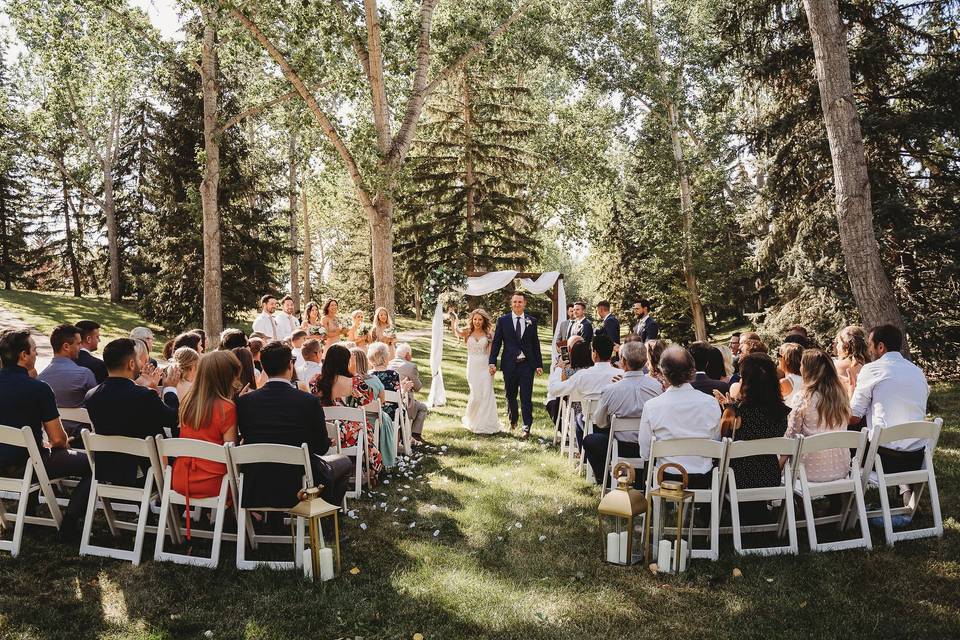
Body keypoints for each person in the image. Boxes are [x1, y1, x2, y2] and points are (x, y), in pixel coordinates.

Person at [0, 329, 92, 541]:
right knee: (94, 463)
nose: (36, 354)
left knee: (34, 453)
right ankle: (69, 524)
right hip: (27, 463)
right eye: (33, 350)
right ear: (23, 355)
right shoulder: (39, 389)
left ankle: (28, 514)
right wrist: (60, 443)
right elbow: (59, 439)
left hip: (5, 462)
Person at [236, 341, 351, 509]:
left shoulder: (244, 401)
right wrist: (326, 441)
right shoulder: (308, 401)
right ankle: (324, 515)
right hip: (298, 479)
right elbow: (320, 448)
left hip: (257, 479)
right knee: (344, 462)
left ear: (264, 367)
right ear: (290, 365)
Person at [849, 324, 929, 505]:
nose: (868, 350)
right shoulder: (917, 371)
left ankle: (842, 503)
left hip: (885, 459)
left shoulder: (872, 369)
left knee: (847, 430)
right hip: (916, 457)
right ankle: (905, 489)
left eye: (870, 345)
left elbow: (853, 415)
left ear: (880, 347)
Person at [84, 338, 180, 487]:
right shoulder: (143, 395)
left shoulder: (91, 395)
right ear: (131, 363)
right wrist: (170, 389)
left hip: (108, 471)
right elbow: (172, 418)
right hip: (144, 472)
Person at [172, 351, 241, 530]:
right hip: (213, 484)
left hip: (182, 479)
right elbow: (230, 453)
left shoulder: (187, 401)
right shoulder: (227, 407)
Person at [638, 346, 722, 489]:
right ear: (692, 371)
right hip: (702, 476)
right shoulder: (710, 402)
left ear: (664, 373)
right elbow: (716, 440)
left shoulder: (652, 406)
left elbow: (645, 451)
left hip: (666, 476)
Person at [581, 341, 663, 484]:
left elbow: (600, 422)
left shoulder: (610, 390)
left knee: (590, 440)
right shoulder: (657, 387)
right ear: (645, 362)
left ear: (623, 362)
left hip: (621, 447)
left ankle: (604, 479)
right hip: (651, 446)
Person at [721, 353, 791, 505]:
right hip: (770, 477)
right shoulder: (782, 412)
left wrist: (728, 408)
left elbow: (722, 439)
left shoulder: (736, 413)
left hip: (738, 480)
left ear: (746, 381)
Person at [311, 344, 384, 481]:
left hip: (324, 431)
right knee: (364, 428)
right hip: (349, 434)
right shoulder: (354, 382)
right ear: (346, 362)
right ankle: (370, 467)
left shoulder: (315, 380)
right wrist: (354, 373)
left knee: (362, 428)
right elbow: (367, 400)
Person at [784, 349, 851, 483]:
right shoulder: (841, 396)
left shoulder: (804, 398)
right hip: (840, 468)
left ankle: (800, 503)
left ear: (809, 370)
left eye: (802, 365)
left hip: (808, 472)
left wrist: (779, 463)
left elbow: (791, 436)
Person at [489, 292, 544, 439]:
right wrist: (492, 361)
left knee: (526, 397)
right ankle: (513, 421)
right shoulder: (503, 320)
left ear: (525, 303)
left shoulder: (531, 321)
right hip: (509, 364)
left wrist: (538, 364)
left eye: (520, 302)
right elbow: (497, 342)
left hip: (527, 365)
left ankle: (526, 427)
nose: (517, 304)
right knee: (510, 395)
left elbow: (535, 343)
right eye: (514, 302)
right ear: (511, 303)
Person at [548, 335, 619, 447]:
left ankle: (584, 455)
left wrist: (559, 369)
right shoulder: (621, 375)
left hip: (590, 425)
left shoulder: (583, 375)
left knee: (579, 418)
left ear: (594, 354)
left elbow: (554, 390)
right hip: (616, 426)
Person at [37, 324, 96, 437]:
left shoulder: (40, 378)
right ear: (66, 347)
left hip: (51, 437)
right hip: (82, 439)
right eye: (78, 344)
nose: (80, 348)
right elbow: (97, 407)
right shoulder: (84, 374)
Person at [452, 309, 501, 435]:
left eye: (480, 319)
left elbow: (490, 352)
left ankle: (484, 424)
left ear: (483, 320)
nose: (477, 322)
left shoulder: (488, 333)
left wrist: (492, 365)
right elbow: (456, 331)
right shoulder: (468, 332)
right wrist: (454, 319)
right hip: (472, 367)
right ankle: (471, 419)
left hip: (485, 366)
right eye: (475, 319)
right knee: (476, 395)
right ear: (472, 320)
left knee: (486, 394)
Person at [352, 347, 396, 469]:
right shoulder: (374, 380)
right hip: (374, 420)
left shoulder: (347, 381)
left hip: (353, 421)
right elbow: (382, 401)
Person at [388, 342, 429, 445]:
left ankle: (406, 433)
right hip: (404, 402)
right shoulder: (411, 366)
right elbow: (418, 387)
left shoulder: (389, 363)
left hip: (389, 400)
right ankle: (415, 435)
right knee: (423, 408)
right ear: (407, 355)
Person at [834, 325, 869, 395]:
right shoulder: (870, 365)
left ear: (846, 345)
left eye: (838, 343)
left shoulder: (837, 366)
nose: (837, 346)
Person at [778, 342, 804, 408]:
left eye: (779, 356)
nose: (778, 359)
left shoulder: (784, 383)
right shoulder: (808, 380)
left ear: (787, 360)